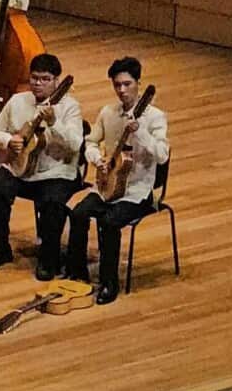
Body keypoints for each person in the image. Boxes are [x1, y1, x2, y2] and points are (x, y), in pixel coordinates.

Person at [66, 57, 168, 305]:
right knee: (78, 213)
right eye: (117, 85)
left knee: (109, 223)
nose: (122, 90)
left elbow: (162, 154)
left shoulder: (155, 118)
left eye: (127, 84)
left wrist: (140, 131)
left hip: (138, 192)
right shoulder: (108, 112)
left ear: (138, 84)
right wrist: (96, 159)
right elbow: (90, 142)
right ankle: (77, 273)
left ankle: (109, 283)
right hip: (107, 185)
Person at [0, 54, 83, 280]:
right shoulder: (18, 101)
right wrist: (9, 141)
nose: (38, 83)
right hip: (19, 168)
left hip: (55, 172)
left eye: (45, 79)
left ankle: (49, 260)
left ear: (57, 80)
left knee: (52, 204)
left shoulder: (70, 108)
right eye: (34, 78)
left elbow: (76, 145)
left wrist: (54, 123)